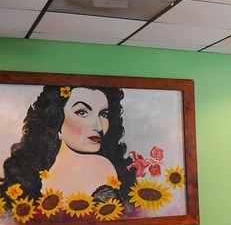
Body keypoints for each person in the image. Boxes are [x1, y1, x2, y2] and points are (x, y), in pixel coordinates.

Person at [0, 85, 135, 212]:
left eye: (103, 114)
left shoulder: (102, 167)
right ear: (56, 119)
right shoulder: (29, 170)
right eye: (82, 112)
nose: (99, 126)